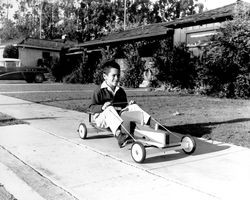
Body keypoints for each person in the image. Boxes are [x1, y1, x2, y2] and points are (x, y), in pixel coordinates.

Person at [89, 60, 150, 148]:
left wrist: (129, 105)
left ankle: (149, 126)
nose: (116, 78)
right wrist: (102, 107)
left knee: (133, 106)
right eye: (113, 75)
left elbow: (123, 106)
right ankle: (119, 136)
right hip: (102, 118)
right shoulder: (99, 91)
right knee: (109, 108)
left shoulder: (120, 91)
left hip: (118, 116)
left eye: (118, 75)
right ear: (105, 76)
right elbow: (91, 107)